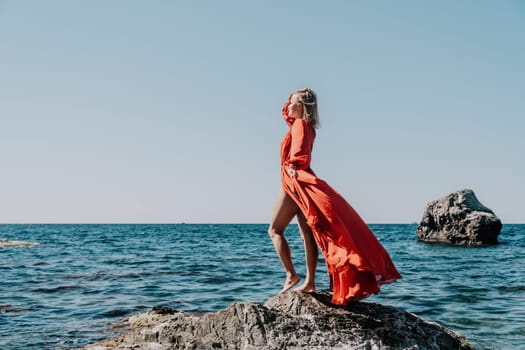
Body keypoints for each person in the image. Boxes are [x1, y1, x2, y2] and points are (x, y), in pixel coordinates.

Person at [267, 88, 401, 305]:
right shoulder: (306, 125)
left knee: (274, 230)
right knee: (308, 235)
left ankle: (292, 275)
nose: (287, 105)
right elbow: (287, 113)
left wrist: (293, 166)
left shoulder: (300, 125)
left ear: (301, 107)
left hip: (295, 179)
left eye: (292, 102)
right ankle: (310, 281)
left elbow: (300, 152)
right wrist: (300, 96)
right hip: (300, 177)